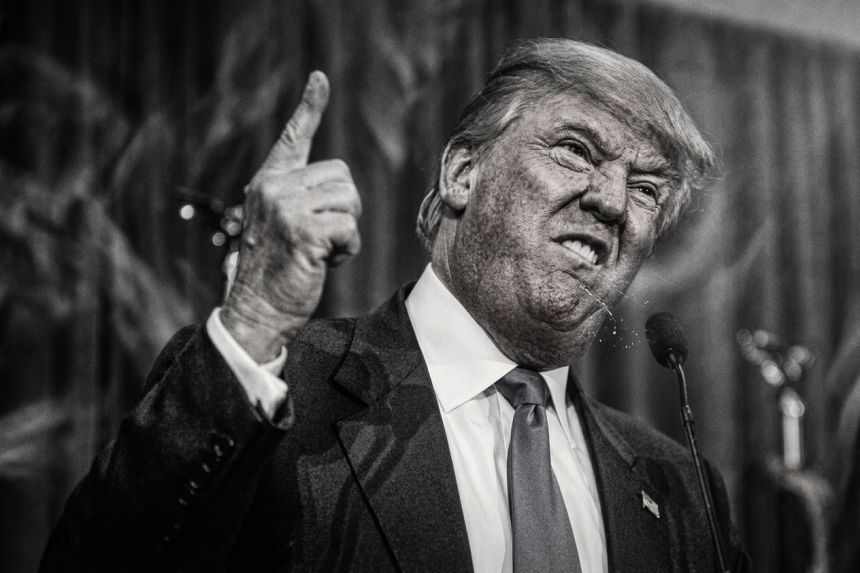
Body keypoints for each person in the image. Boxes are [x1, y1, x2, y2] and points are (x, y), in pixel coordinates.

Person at [41, 38, 751, 572]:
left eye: (647, 189)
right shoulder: (278, 395)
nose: (613, 202)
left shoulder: (681, 487)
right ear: (463, 173)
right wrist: (253, 321)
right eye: (575, 150)